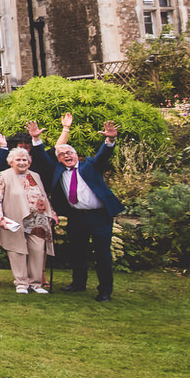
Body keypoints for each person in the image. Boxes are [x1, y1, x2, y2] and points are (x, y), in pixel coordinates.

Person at [48, 114, 124, 302]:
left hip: (99, 217)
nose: (67, 156)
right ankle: (78, 284)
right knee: (77, 251)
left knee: (102, 254)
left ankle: (105, 291)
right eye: (62, 154)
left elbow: (103, 155)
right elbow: (49, 152)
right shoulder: (58, 170)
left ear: (76, 155)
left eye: (70, 153)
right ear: (58, 159)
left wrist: (110, 139)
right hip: (76, 217)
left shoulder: (90, 165)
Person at [0, 146, 56, 294]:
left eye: (25, 159)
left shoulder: (35, 175)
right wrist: (0, 217)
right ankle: (21, 283)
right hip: (15, 218)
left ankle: (35, 283)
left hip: (37, 219)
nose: (22, 162)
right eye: (18, 160)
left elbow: (43, 196)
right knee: (17, 249)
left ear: (30, 161)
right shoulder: (4, 176)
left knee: (37, 250)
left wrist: (51, 213)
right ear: (11, 162)